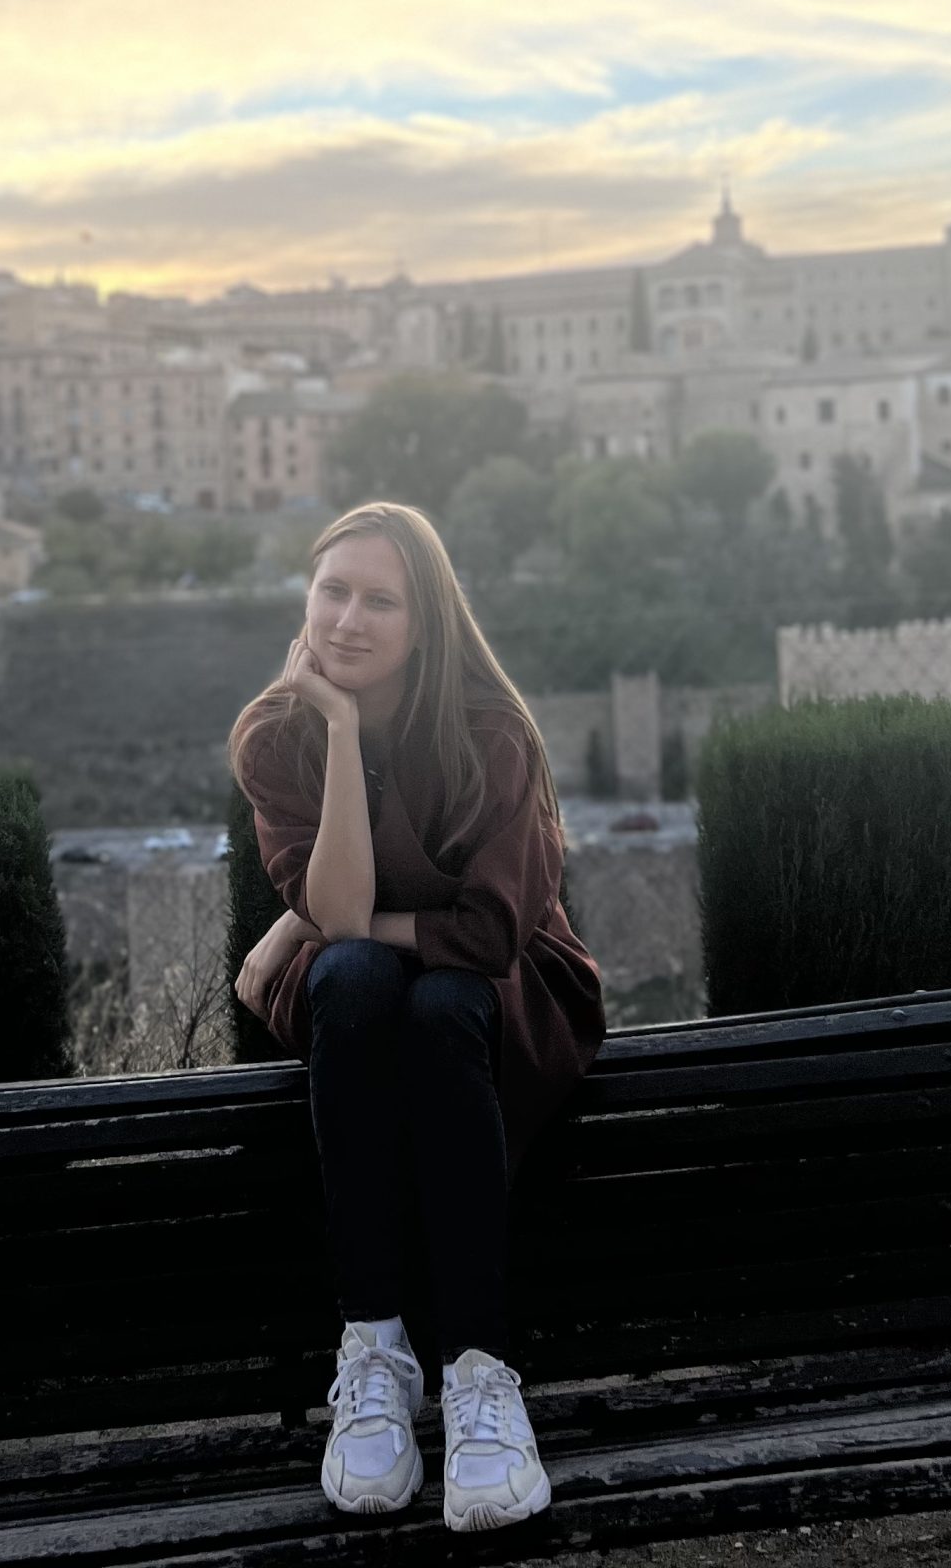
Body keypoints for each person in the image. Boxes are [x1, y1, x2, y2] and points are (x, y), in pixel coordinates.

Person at [229, 499, 603, 1534]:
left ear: (426, 621)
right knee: (349, 978)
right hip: (368, 1006)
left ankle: (483, 1376)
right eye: (333, 590)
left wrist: (292, 930)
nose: (349, 618)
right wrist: (343, 731)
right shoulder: (278, 737)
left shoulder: (492, 734)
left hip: (508, 999)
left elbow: (487, 937)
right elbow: (341, 921)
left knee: (435, 998)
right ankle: (376, 1354)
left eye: (380, 599)